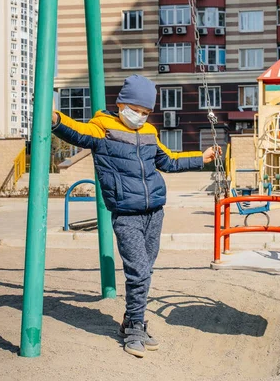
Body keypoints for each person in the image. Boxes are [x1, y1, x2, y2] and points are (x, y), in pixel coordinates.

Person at [51, 74, 220, 358]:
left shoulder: (150, 133)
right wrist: (54, 118)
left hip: (154, 212)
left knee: (145, 270)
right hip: (126, 214)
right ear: (120, 104)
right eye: (136, 110)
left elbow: (167, 160)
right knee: (139, 270)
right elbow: (76, 132)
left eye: (145, 113)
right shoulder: (102, 128)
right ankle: (135, 328)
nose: (139, 117)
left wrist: (199, 159)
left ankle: (131, 320)